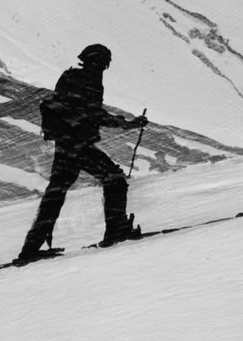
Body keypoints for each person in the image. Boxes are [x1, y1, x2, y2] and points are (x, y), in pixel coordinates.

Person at [16, 44, 146, 263]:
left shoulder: (72, 78)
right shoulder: (89, 81)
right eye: (103, 63)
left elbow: (82, 112)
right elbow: (94, 114)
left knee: (55, 194)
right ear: (99, 62)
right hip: (78, 146)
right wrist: (129, 124)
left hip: (65, 145)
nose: (104, 67)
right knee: (114, 179)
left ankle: (31, 248)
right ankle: (116, 229)